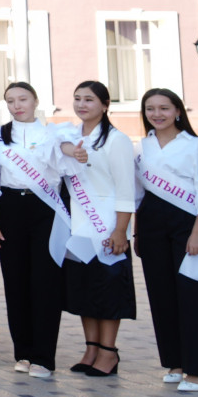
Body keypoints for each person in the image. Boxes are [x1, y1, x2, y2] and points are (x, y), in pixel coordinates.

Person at [135, 87, 198, 391]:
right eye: (150, 109)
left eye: (164, 108)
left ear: (178, 111)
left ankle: (197, 371)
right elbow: (137, 193)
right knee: (162, 297)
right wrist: (136, 232)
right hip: (151, 224)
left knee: (192, 296)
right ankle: (175, 363)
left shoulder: (196, 146)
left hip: (188, 225)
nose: (157, 114)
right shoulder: (141, 147)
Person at [0, 81, 73, 378]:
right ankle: (23, 352)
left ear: (35, 100)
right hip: (10, 207)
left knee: (45, 281)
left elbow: (66, 150)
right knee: (15, 281)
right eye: (11, 100)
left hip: (46, 209)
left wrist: (73, 152)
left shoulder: (54, 132)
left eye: (22, 99)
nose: (17, 105)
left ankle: (43, 357)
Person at [60, 80, 135, 378]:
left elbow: (126, 189)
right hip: (78, 227)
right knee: (84, 291)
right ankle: (90, 348)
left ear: (105, 105)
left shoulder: (117, 140)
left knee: (109, 291)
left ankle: (108, 352)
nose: (82, 105)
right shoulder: (70, 136)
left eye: (89, 99)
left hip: (106, 224)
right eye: (77, 98)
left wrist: (120, 231)